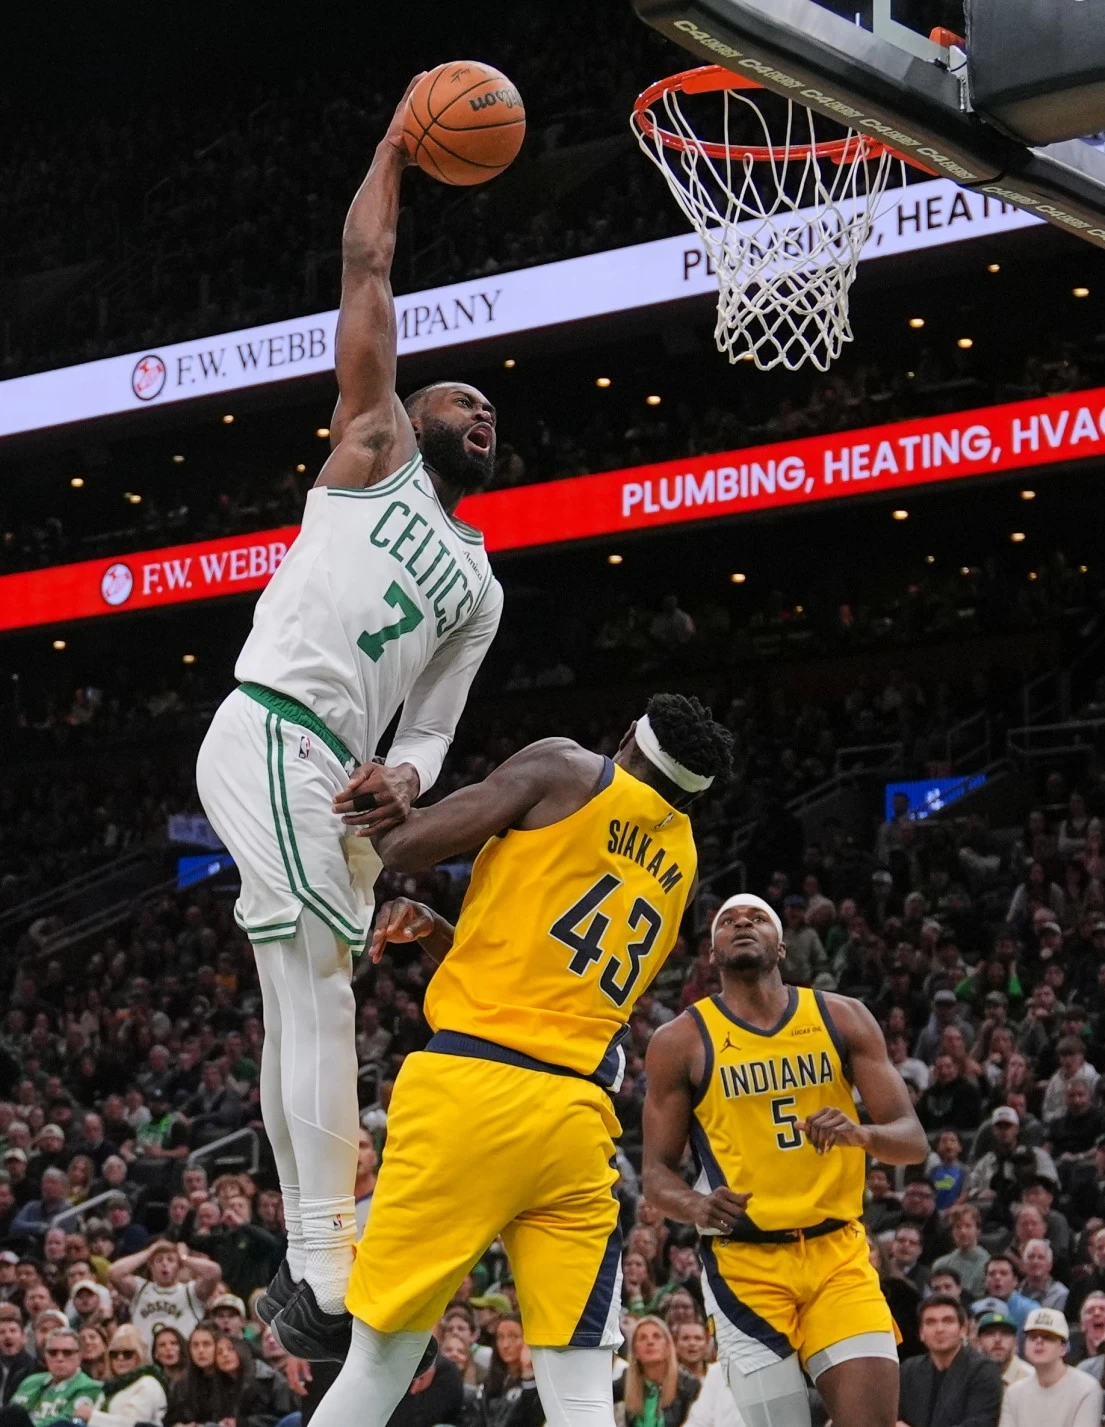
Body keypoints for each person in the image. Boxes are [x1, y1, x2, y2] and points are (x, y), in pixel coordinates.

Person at [194, 75, 506, 1355]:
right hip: (270, 724)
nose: (479, 406)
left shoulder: (481, 585)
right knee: (316, 988)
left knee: (312, 985)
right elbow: (365, 261)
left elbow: (431, 729)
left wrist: (409, 784)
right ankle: (323, 1259)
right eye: (462, 396)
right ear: (409, 411)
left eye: (493, 410)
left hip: (333, 771)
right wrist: (394, 140)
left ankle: (309, 1267)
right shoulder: (372, 445)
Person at [309, 694, 730, 1427]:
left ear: (629, 732)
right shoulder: (684, 859)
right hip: (574, 1122)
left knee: (380, 1359)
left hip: (472, 1092)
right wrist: (449, 934)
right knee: (581, 1391)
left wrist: (399, 780)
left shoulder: (567, 766)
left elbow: (403, 848)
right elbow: (553, 975)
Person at [641, 893, 928, 1427]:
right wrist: (696, 1206)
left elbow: (912, 1140)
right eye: (728, 921)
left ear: (782, 948)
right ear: (712, 953)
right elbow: (655, 1173)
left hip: (837, 1255)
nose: (742, 924)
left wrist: (861, 1133)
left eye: (756, 919)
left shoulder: (842, 1017)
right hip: (744, 1266)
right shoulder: (680, 1040)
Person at [897, 1296, 1002, 1427]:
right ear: (921, 1333)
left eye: (948, 1321)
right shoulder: (909, 1370)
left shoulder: (983, 1371)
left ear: (963, 1330)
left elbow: (980, 1423)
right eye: (930, 1322)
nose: (939, 1329)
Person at [999, 1308, 1101, 1427]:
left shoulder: (1087, 1388)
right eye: (1032, 1337)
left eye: (1048, 1337)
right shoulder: (1014, 1393)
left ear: (1063, 1348)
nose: (1039, 1341)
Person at [108, 1239, 219, 1340]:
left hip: (181, 1359)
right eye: (159, 1260)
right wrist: (149, 1253)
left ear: (179, 1266)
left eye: (171, 1260)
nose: (165, 1263)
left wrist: (184, 1258)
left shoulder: (191, 1292)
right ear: (151, 1266)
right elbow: (113, 1272)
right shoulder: (140, 1289)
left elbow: (213, 1272)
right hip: (146, 1360)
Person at [75, 1324, 168, 1427]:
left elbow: (136, 1424)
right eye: (114, 1354)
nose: (120, 1358)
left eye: (127, 1354)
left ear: (139, 1355)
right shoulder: (111, 1387)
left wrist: (92, 1416)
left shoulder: (148, 1383)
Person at [614, 1317, 698, 1427]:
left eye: (656, 1336)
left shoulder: (688, 1385)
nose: (650, 1342)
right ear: (635, 1352)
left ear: (668, 1347)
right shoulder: (626, 1380)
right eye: (643, 1338)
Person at [11, 1328, 102, 1427]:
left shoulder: (89, 1387)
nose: (59, 1358)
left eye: (67, 1353)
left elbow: (67, 1422)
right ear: (45, 1355)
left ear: (80, 1355)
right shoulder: (30, 1382)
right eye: (53, 1352)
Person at [468, 1315, 544, 1427]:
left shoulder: (541, 1383)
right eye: (500, 1337)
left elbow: (534, 1420)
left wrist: (528, 1373)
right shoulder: (488, 1384)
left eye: (513, 1337)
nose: (505, 1345)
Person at [932, 1205, 989, 1303]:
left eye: (968, 1226)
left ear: (978, 1230)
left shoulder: (987, 1264)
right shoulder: (940, 1264)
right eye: (958, 1227)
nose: (963, 1232)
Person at [975, 1311, 1033, 1391]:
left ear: (1015, 1342)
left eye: (1005, 1334)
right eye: (990, 1334)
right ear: (978, 1342)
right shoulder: (970, 1377)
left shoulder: (1031, 1378)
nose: (997, 1340)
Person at [0, 1306, 35, 1406]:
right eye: (2, 1332)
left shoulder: (32, 1367)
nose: (8, 1336)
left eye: (13, 1331)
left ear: (24, 1337)